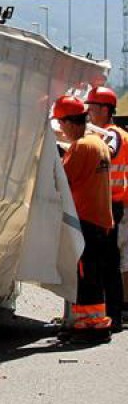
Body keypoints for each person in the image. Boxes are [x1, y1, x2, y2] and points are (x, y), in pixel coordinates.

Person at [53, 94, 114, 343]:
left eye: (61, 125)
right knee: (91, 274)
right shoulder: (97, 143)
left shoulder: (80, 147)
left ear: (69, 122)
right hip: (99, 218)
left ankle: (94, 325)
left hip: (86, 219)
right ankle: (87, 322)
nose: (62, 131)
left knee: (86, 275)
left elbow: (62, 181)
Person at [86, 85, 128, 331]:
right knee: (111, 261)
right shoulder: (119, 133)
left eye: (92, 107)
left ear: (104, 109)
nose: (89, 112)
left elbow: (106, 153)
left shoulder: (110, 135)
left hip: (108, 204)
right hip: (113, 203)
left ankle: (110, 314)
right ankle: (113, 313)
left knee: (107, 262)